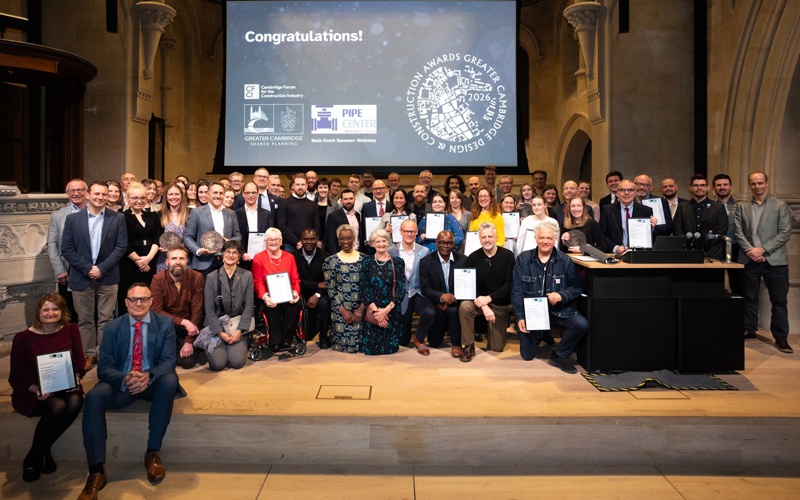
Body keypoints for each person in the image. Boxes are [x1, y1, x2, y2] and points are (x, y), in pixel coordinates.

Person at [78, 283, 183, 499]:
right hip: (121, 381)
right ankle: (97, 471)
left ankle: (152, 453)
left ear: (151, 302)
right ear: (125, 303)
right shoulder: (112, 327)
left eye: (143, 299)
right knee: (94, 397)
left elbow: (168, 361)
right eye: (133, 299)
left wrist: (149, 376)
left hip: (152, 382)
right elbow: (105, 367)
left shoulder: (164, 324)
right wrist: (126, 379)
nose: (138, 303)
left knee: (169, 382)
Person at [9, 294, 85, 482]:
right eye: (46, 309)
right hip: (33, 392)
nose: (51, 313)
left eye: (55, 309)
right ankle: (36, 456)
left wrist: (75, 377)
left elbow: (78, 361)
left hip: (64, 386)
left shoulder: (71, 329)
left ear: (62, 311)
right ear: (38, 313)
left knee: (76, 400)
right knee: (57, 406)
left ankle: (39, 452)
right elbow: (16, 376)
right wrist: (35, 389)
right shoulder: (23, 338)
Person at [61, 181, 128, 370]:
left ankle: (104, 353)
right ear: (88, 195)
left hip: (108, 276)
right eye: (96, 194)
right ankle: (88, 354)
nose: (100, 197)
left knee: (106, 318)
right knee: (85, 319)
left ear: (108, 197)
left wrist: (101, 268)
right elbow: (67, 248)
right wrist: (87, 268)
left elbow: (120, 247)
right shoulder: (73, 220)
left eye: (104, 194)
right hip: (81, 277)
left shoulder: (117, 218)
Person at [512, 223, 588, 374]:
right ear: (535, 239)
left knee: (581, 324)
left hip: (557, 311)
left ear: (555, 240)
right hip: (532, 314)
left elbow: (578, 286)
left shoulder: (564, 260)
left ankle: (560, 354)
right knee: (527, 356)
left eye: (549, 238)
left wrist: (561, 295)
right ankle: (539, 334)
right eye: (542, 237)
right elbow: (516, 291)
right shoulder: (523, 259)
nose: (545, 241)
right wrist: (520, 317)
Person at [734, 171, 792, 353]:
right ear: (749, 185)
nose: (757, 186)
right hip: (749, 259)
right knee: (749, 297)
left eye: (760, 183)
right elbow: (738, 232)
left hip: (774, 260)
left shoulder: (780, 205)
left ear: (767, 183)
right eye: (753, 183)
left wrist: (763, 249)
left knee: (779, 300)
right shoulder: (742, 207)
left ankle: (781, 336)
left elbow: (785, 232)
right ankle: (750, 329)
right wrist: (752, 251)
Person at [458, 222, 514, 361]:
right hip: (479, 302)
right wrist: (483, 305)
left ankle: (496, 327)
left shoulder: (508, 256)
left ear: (496, 237)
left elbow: (510, 284)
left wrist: (489, 299)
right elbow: (469, 285)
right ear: (479, 239)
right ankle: (468, 345)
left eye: (490, 236)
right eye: (484, 237)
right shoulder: (473, 257)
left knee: (496, 347)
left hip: (500, 303)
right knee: (465, 306)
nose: (487, 240)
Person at [196, 241, 253, 372]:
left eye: (234, 252)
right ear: (222, 254)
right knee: (217, 365)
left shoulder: (247, 276)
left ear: (239, 256)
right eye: (228, 251)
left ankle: (239, 342)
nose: (231, 255)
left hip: (236, 326)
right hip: (217, 327)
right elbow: (209, 309)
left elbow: (249, 306)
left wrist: (240, 331)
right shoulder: (211, 277)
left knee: (237, 362)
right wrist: (220, 333)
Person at [150, 245, 206, 369]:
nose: (178, 262)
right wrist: (183, 322)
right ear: (167, 261)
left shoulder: (197, 278)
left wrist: (188, 341)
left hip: (190, 327)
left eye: (181, 258)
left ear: (187, 261)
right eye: (174, 258)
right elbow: (156, 310)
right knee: (159, 359)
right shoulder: (157, 280)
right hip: (167, 326)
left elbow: (197, 311)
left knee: (187, 363)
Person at [389, 219, 434, 354]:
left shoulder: (424, 251)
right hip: (400, 294)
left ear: (416, 233)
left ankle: (419, 339)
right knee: (402, 340)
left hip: (418, 292)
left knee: (429, 312)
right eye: (406, 231)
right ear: (401, 232)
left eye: (412, 231)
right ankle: (405, 335)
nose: (409, 234)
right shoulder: (391, 252)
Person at [252, 228, 302, 351]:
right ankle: (274, 341)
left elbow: (295, 279)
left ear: (281, 241)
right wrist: (265, 297)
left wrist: (295, 293)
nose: (273, 242)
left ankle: (286, 340)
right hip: (269, 296)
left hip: (287, 294)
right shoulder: (258, 258)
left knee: (293, 306)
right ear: (265, 241)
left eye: (276, 239)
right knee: (272, 308)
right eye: (270, 239)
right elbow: (257, 282)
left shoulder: (289, 257)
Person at [419, 230, 467, 357]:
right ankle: (445, 329)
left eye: (449, 243)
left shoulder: (463, 260)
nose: (445, 246)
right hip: (436, 303)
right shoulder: (426, 262)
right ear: (436, 243)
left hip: (455, 301)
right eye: (442, 243)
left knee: (452, 311)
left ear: (453, 244)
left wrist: (450, 297)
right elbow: (425, 288)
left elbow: (466, 283)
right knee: (434, 343)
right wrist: (441, 297)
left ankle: (456, 344)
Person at [48, 178, 89, 324]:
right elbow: (52, 243)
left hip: (91, 271)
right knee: (69, 312)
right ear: (67, 193)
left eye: (80, 190)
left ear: (87, 192)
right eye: (72, 190)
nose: (76, 193)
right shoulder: (58, 215)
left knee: (90, 313)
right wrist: (59, 269)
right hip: (66, 273)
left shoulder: (96, 211)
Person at [118, 182, 163, 314]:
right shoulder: (121, 216)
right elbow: (123, 241)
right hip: (129, 263)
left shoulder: (152, 215)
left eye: (142, 198)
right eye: (135, 198)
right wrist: (139, 261)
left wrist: (147, 259)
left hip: (150, 261)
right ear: (128, 198)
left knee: (148, 296)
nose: (139, 201)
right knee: (129, 296)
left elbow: (158, 237)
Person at [362, 229, 406, 355]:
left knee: (390, 350)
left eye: (384, 241)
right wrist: (377, 312)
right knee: (371, 350)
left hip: (391, 310)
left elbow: (400, 288)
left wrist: (386, 310)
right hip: (373, 311)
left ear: (388, 242)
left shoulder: (397, 262)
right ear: (372, 244)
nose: (381, 244)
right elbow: (364, 288)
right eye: (378, 241)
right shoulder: (367, 262)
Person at [323, 225, 366, 353]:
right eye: (342, 239)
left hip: (360, 309)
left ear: (354, 239)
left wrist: (361, 309)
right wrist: (342, 311)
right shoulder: (330, 261)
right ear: (338, 240)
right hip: (340, 309)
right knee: (343, 346)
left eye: (348, 238)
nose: (345, 241)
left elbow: (368, 287)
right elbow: (331, 289)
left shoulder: (365, 259)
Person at [183, 181, 242, 277]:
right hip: (203, 263)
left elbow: (238, 235)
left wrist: (230, 242)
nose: (218, 196)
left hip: (226, 261)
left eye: (221, 193)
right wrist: (198, 250)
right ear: (208, 194)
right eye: (215, 192)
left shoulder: (231, 213)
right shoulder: (196, 212)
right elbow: (187, 236)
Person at [672, 174, 729, 259]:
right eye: (695, 185)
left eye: (702, 185)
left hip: (711, 253)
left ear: (708, 188)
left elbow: (722, 229)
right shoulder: (682, 206)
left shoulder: (718, 207)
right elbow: (677, 228)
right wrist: (689, 243)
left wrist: (703, 243)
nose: (699, 188)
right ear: (690, 188)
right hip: (687, 252)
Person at [294, 228, 331, 348]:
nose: (309, 242)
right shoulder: (293, 257)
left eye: (312, 239)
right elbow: (295, 280)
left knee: (324, 304)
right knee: (308, 335)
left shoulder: (326, 256)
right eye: (305, 239)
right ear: (301, 240)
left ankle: (324, 337)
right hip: (301, 293)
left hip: (321, 295)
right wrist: (316, 284)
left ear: (317, 240)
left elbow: (328, 282)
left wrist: (317, 294)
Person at [600, 179, 655, 254]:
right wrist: (615, 248)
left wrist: (651, 228)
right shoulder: (608, 210)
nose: (626, 193)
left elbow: (652, 238)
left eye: (630, 190)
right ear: (617, 193)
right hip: (614, 255)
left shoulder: (646, 211)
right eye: (622, 190)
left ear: (635, 193)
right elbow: (602, 234)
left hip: (638, 255)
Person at [277, 174, 320, 252]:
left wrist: (307, 241)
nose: (300, 187)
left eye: (303, 184)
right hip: (289, 245)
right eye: (297, 184)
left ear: (306, 186)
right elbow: (282, 226)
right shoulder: (284, 203)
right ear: (293, 186)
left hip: (308, 245)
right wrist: (297, 242)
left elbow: (316, 226)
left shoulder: (312, 205)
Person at [234, 182, 270, 270]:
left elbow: (269, 235)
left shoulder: (266, 214)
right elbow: (235, 236)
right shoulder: (235, 214)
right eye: (248, 193)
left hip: (262, 258)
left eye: (253, 192)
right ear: (243, 194)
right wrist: (242, 253)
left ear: (258, 193)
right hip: (242, 258)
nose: (251, 195)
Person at [156, 182, 190, 272]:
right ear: (166, 197)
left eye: (177, 194)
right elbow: (156, 237)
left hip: (184, 260)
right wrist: (159, 247)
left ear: (181, 196)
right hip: (164, 261)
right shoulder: (159, 215)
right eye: (171, 194)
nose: (174, 197)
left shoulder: (190, 213)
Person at [324, 189, 362, 253]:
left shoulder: (357, 215)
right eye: (345, 199)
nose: (348, 201)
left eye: (351, 199)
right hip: (341, 253)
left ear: (354, 200)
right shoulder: (333, 216)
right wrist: (335, 256)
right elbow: (331, 239)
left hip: (357, 252)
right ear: (341, 201)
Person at [359, 179, 391, 254]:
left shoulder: (392, 206)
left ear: (386, 189)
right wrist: (365, 241)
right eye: (376, 189)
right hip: (371, 247)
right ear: (372, 191)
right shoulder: (366, 207)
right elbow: (363, 226)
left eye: (381, 188)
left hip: (389, 247)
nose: (378, 191)